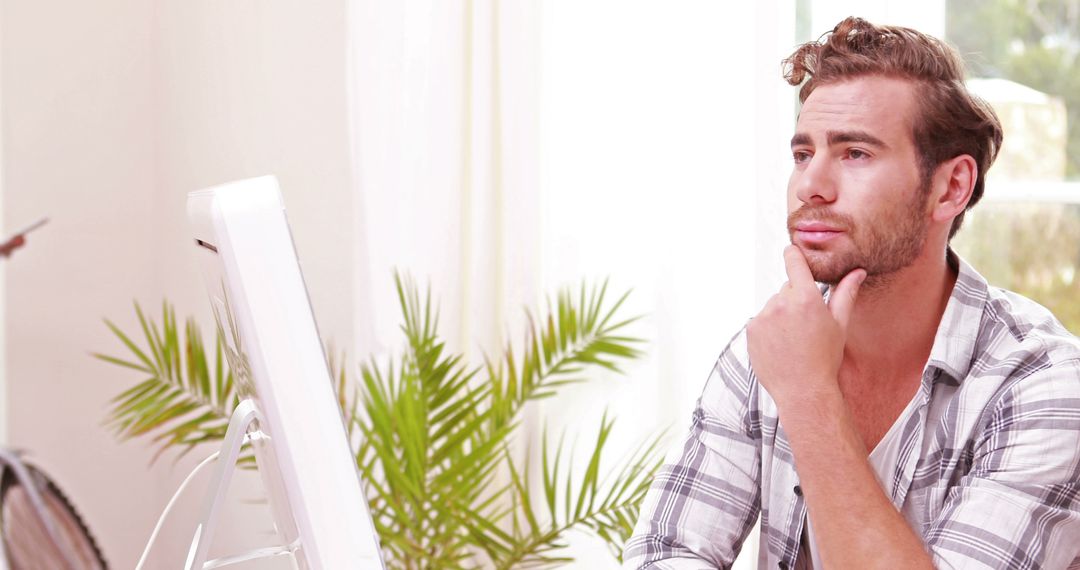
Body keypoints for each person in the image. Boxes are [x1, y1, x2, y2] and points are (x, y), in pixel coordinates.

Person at [624, 16, 1080, 570]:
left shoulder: (1043, 385)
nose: (811, 185)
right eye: (802, 154)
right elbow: (668, 552)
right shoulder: (771, 347)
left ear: (951, 187)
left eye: (855, 153)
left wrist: (811, 397)